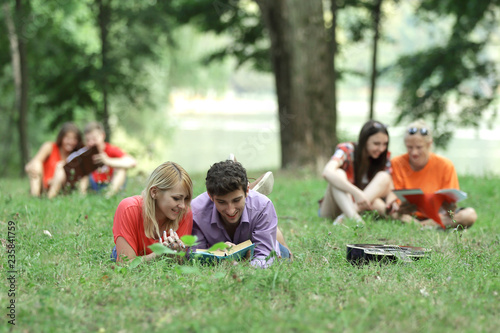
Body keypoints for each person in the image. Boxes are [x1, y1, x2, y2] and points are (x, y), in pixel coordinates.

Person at [190, 160, 291, 268]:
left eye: (236, 200)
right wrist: (212, 252)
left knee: (283, 253)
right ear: (210, 196)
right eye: (221, 202)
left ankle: (272, 230)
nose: (230, 210)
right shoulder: (196, 211)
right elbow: (193, 257)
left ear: (247, 190)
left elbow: (266, 257)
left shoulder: (263, 206)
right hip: (222, 251)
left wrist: (242, 267)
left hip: (258, 248)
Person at [389, 120, 477, 228]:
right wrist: (401, 207)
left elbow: (451, 204)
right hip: (408, 216)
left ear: (429, 144)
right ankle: (426, 226)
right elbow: (394, 200)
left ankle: (423, 226)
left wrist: (450, 207)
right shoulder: (396, 163)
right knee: (389, 211)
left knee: (469, 215)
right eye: (409, 147)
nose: (414, 152)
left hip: (438, 216)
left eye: (419, 147)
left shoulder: (445, 165)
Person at [111, 161, 193, 263]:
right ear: (154, 192)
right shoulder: (128, 208)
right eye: (176, 198)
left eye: (186, 199)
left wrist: (178, 253)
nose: (182, 205)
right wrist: (159, 254)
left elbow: (179, 262)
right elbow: (126, 264)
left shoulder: (185, 213)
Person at [318, 120, 393, 223]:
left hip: (360, 206)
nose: (381, 149)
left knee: (384, 177)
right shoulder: (347, 149)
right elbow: (327, 172)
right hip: (333, 208)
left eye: (385, 144)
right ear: (364, 140)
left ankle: (348, 215)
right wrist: (356, 192)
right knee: (339, 174)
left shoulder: (384, 157)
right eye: (376, 143)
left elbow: (389, 187)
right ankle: (356, 220)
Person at [25, 122, 83, 198]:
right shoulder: (50, 147)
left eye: (74, 139)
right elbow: (33, 163)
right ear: (61, 138)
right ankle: (35, 196)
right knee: (36, 164)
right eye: (68, 138)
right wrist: (29, 168)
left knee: (61, 166)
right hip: (42, 184)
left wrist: (54, 181)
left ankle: (50, 198)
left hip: (60, 189)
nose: (71, 142)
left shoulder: (76, 156)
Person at [80, 121, 136, 197]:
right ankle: (82, 196)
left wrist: (107, 161)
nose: (91, 143)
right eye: (88, 140)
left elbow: (132, 162)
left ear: (102, 135)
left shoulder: (110, 149)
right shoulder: (85, 152)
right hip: (94, 185)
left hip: (111, 184)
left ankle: (109, 196)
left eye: (94, 139)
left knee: (122, 169)